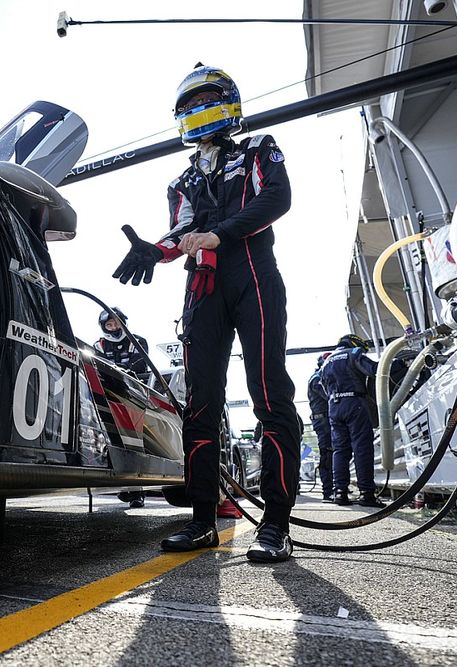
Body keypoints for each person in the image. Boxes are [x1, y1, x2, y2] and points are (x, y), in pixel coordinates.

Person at [112, 64, 301, 562]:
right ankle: (202, 521)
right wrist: (156, 250)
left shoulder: (259, 150)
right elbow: (181, 231)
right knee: (199, 404)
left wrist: (220, 234)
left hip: (254, 274)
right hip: (202, 287)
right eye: (189, 107)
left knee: (269, 392)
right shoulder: (182, 179)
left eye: (207, 101)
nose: (199, 113)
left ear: (229, 102)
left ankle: (276, 525)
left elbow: (277, 198)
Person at [319, 334, 385, 508]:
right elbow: (375, 370)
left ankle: (339, 492)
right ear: (355, 342)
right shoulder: (354, 353)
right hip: (354, 403)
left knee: (339, 450)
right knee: (362, 448)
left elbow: (323, 388)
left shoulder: (326, 362)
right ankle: (367, 494)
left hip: (334, 406)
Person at [93, 307, 150, 508]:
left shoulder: (138, 341)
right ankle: (124, 485)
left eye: (116, 322)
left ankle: (136, 491)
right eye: (109, 324)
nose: (114, 327)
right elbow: (95, 364)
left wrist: (120, 373)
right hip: (105, 397)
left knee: (133, 443)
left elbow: (140, 365)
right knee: (110, 441)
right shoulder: (98, 345)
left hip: (132, 397)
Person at [307, 352, 334, 503]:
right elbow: (328, 395)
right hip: (323, 421)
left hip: (326, 420)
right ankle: (328, 491)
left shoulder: (320, 376)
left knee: (332, 454)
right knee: (327, 455)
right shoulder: (317, 378)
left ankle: (333, 488)